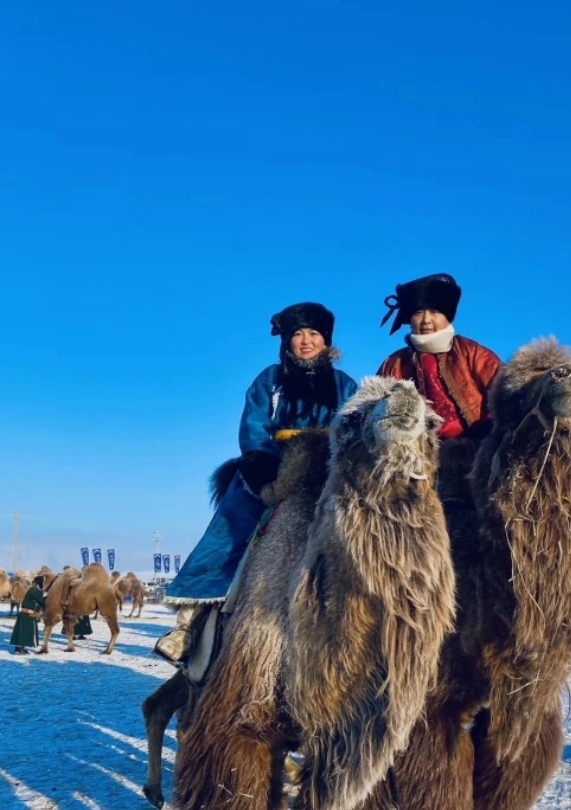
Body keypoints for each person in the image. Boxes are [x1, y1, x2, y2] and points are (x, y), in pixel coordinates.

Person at [156, 301, 358, 663]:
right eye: (298, 334)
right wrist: (260, 465)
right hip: (273, 464)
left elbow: (352, 428)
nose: (306, 341)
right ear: (286, 340)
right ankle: (189, 620)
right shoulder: (270, 380)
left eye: (314, 334)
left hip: (328, 469)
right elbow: (254, 425)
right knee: (232, 522)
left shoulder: (344, 385)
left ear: (326, 341)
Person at [378, 272, 501, 439]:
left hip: (474, 448)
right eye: (419, 312)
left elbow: (504, 391)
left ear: (448, 317)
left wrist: (484, 432)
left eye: (435, 311)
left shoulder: (471, 352)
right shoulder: (394, 363)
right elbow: (374, 408)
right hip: (417, 454)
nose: (426, 320)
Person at [10, 575, 47, 654]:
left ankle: (21, 648)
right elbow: (42, 602)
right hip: (27, 615)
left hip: (26, 615)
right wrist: (47, 597)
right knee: (23, 632)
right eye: (43, 582)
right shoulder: (35, 591)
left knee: (24, 632)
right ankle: (18, 650)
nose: (44, 584)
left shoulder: (32, 590)